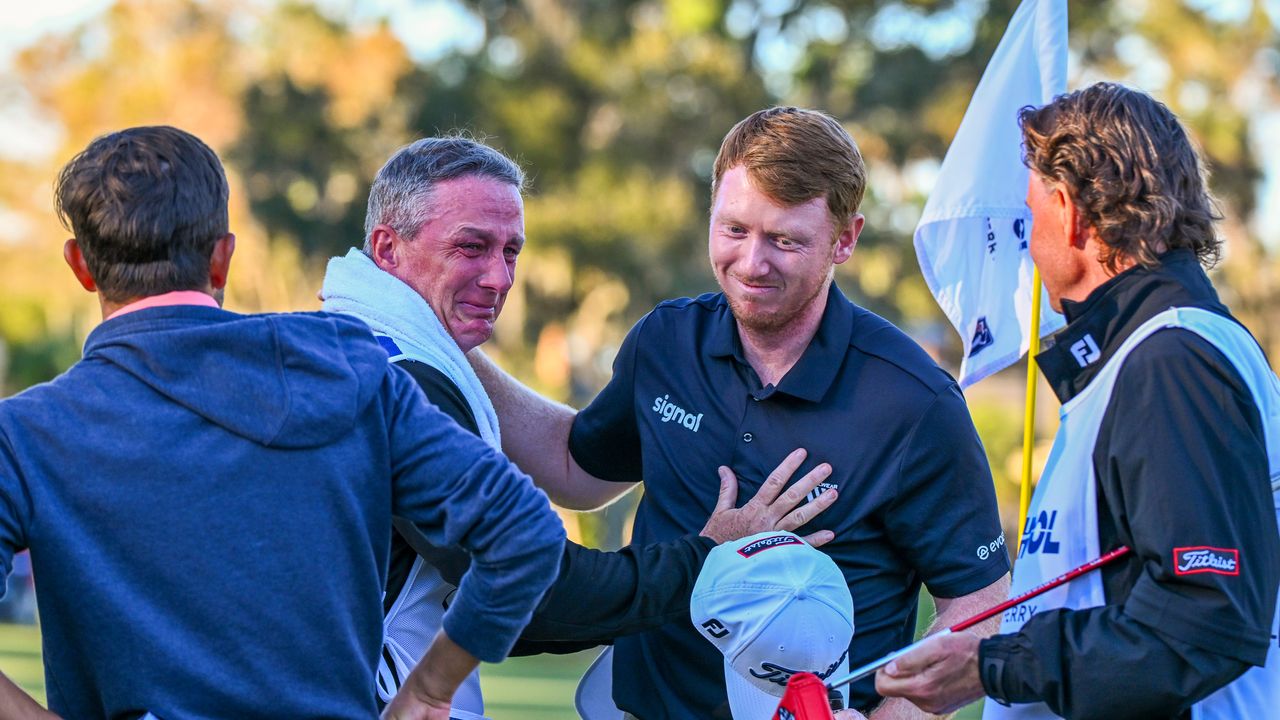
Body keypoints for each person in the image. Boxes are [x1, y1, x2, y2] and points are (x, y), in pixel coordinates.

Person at [0, 125, 568, 720]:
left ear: (80, 266)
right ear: (223, 257)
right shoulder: (348, 367)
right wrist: (428, 690)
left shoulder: (28, 434)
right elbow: (524, 533)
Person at [471, 107, 1013, 718]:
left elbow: (981, 607)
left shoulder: (915, 401)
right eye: (733, 230)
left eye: (785, 240)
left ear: (847, 237)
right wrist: (448, 348)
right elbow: (576, 467)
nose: (752, 263)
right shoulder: (666, 342)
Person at [318, 136, 841, 719]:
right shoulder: (400, 379)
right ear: (387, 249)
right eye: (471, 247)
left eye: (511, 251)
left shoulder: (353, 340)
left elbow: (572, 471)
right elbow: (526, 588)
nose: (499, 277)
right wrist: (708, 558)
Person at [874, 83, 1280, 719]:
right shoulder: (1145, 355)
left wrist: (992, 666)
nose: (1029, 239)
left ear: (1066, 211)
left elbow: (1202, 618)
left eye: (1029, 213)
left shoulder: (1171, 359)